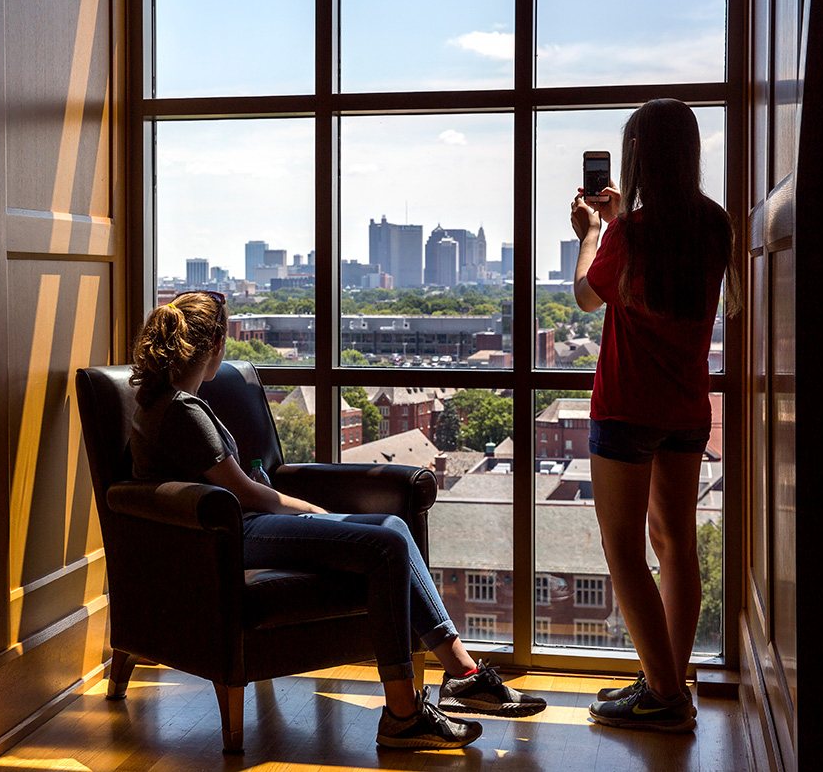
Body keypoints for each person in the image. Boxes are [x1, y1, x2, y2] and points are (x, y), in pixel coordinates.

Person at [129, 290, 546, 750]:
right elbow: (244, 493)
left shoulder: (162, 402)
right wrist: (311, 510)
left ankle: (464, 674)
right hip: (236, 534)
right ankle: (404, 716)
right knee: (385, 544)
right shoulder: (184, 410)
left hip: (233, 532)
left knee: (393, 527)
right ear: (214, 348)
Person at [569, 99, 739, 733]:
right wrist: (619, 222)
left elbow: (587, 296)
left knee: (623, 548)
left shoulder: (630, 236)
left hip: (627, 407)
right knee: (676, 546)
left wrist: (593, 231)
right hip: (687, 408)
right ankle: (669, 677)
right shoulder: (713, 226)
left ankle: (665, 697)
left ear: (636, 157)